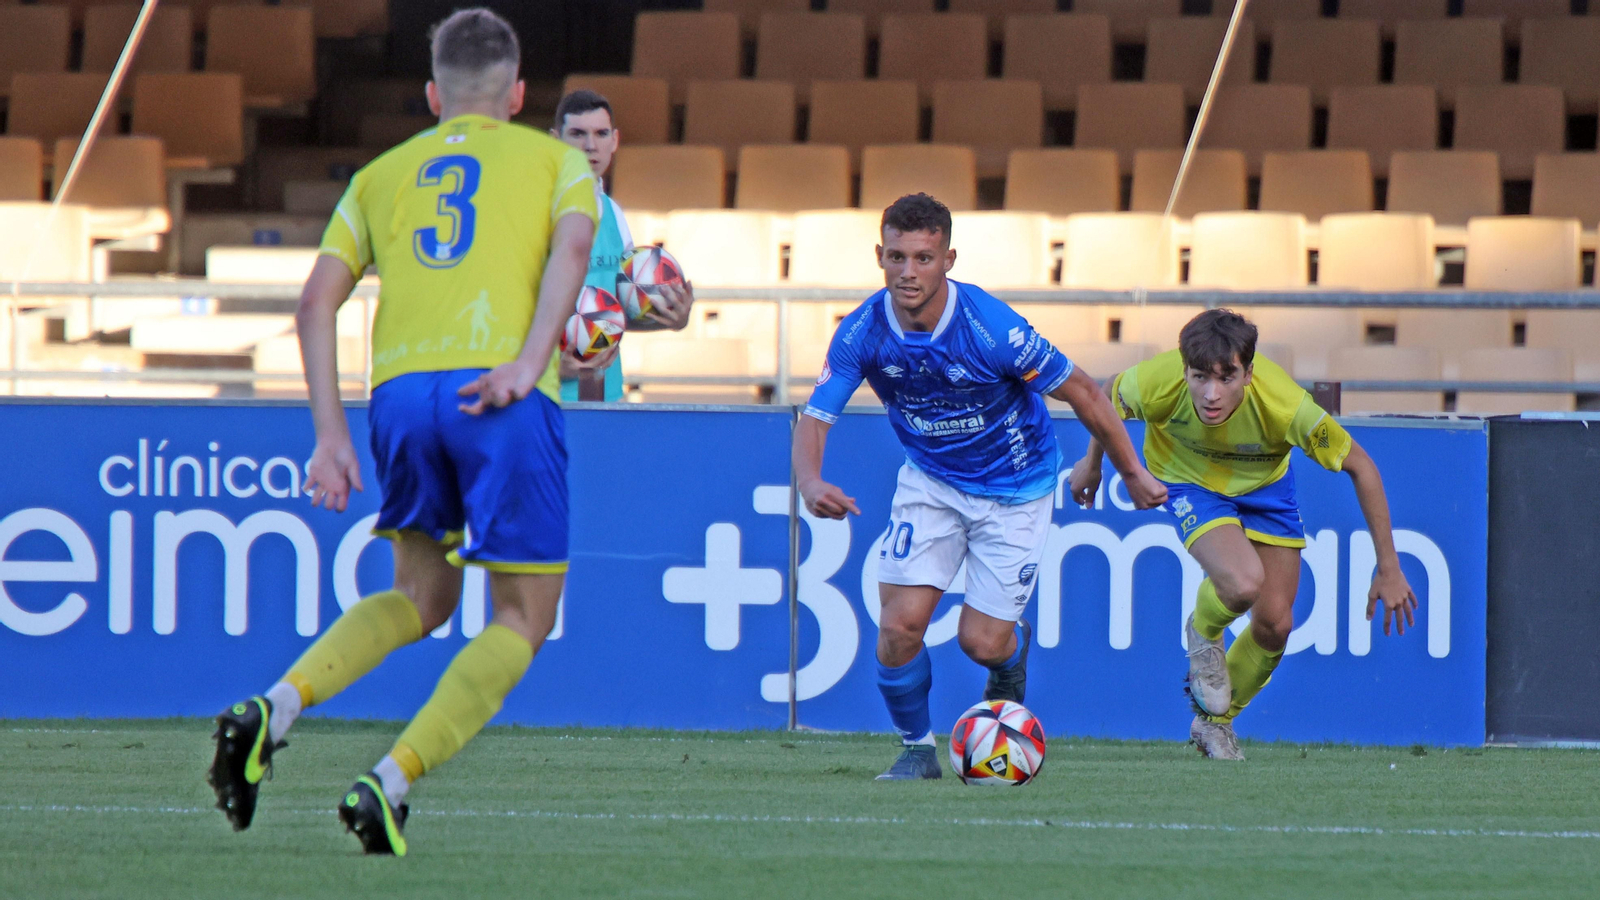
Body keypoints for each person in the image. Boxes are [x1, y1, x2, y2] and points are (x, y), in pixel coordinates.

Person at [206, 8, 598, 855]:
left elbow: (314, 303)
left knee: (421, 597)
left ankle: (277, 705)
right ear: (521, 92)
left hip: (400, 397)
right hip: (500, 393)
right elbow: (572, 258)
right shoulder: (560, 162)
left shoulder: (381, 175)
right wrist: (530, 362)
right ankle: (389, 778)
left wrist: (329, 434)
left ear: (432, 96)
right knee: (523, 616)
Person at [795, 193, 1167, 780]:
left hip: (1016, 488)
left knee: (982, 642)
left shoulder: (991, 328)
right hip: (932, 481)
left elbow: (1086, 392)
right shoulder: (862, 332)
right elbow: (815, 417)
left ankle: (1010, 660)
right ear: (879, 255)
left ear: (948, 259)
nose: (907, 272)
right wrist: (810, 480)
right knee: (897, 629)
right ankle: (917, 752)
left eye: (922, 258)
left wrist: (1132, 470)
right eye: (896, 257)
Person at [1069, 309, 1418, 761]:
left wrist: (1388, 567)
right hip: (1188, 481)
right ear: (1184, 370)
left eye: (1227, 378)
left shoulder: (1286, 406)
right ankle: (1204, 627)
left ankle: (1213, 724)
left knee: (1276, 625)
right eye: (1199, 378)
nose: (1211, 394)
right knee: (1242, 582)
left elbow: (1361, 467)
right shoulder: (1159, 380)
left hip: (1265, 489)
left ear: (1249, 373)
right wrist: (1092, 462)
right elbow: (1107, 398)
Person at [550, 89, 694, 401]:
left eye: (601, 134)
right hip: (550, 401)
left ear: (614, 140)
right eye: (577, 134)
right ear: (555, 140)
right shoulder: (535, 213)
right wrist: (550, 369)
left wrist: (671, 318)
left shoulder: (613, 213)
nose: (591, 146)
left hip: (606, 392)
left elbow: (615, 312)